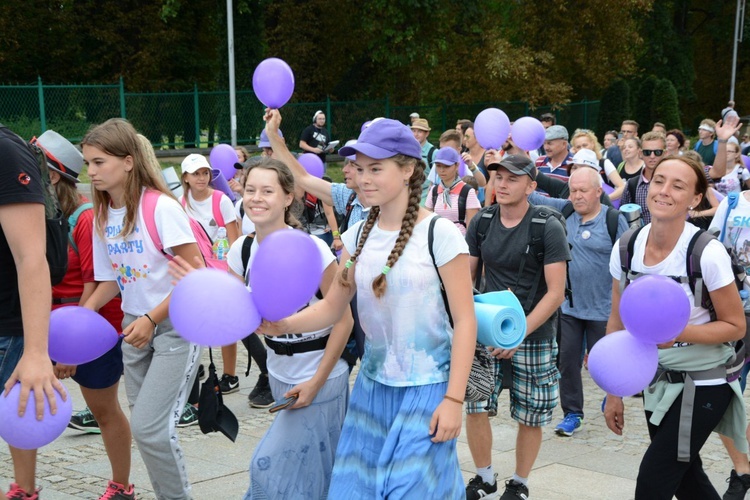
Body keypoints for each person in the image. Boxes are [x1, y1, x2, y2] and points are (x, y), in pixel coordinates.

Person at [260, 118, 476, 498]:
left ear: (408, 170)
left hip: (427, 388)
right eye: (359, 169)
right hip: (372, 388)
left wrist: (454, 399)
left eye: (376, 168)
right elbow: (332, 307)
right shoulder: (358, 235)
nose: (363, 178)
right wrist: (281, 325)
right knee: (357, 489)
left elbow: (465, 320)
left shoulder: (439, 234)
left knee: (414, 489)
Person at [604, 154, 747, 499]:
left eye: (678, 185)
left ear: (696, 199)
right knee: (688, 481)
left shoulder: (706, 252)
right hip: (659, 381)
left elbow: (735, 325)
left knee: (654, 480)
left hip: (706, 380)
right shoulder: (627, 247)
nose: (664, 190)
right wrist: (613, 391)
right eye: (659, 181)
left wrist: (675, 334)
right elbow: (617, 321)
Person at [209, 155, 351, 499]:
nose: (256, 198)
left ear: (289, 197)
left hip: (321, 376)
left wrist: (316, 383)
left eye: (267, 191)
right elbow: (235, 315)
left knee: (267, 467)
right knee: (313, 474)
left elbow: (343, 320)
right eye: (250, 189)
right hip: (279, 374)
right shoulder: (241, 250)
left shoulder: (313, 249)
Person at [81, 118, 204, 500]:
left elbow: (196, 274)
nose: (91, 171)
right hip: (134, 329)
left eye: (100, 162)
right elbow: (109, 281)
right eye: (88, 163)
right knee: (149, 430)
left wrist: (153, 318)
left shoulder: (161, 207)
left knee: (150, 428)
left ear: (129, 161)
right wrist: (82, 318)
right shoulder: (101, 215)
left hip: (174, 325)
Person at [31, 130, 135, 499]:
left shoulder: (86, 219)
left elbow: (98, 283)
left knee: (104, 411)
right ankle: (24, 487)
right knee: (25, 408)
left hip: (90, 331)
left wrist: (70, 348)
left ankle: (121, 486)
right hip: (50, 325)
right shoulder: (40, 214)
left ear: (53, 176)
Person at [464, 154, 570, 500]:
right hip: (486, 331)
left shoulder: (547, 226)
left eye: (512, 178)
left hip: (534, 333)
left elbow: (555, 294)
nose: (503, 184)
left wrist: (519, 332)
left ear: (531, 186)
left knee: (532, 412)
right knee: (475, 404)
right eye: (498, 177)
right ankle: (484, 478)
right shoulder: (482, 221)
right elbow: (466, 279)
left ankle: (520, 483)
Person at [0, 124, 66, 499]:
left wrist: (37, 352)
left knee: (18, 419)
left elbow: (32, 259)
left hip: (6, 331)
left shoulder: (6, 152)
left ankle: (24, 490)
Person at [543, 167, 627, 437]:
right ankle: (572, 414)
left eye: (583, 191)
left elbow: (628, 266)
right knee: (566, 362)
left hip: (604, 310)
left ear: (598, 191)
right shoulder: (565, 215)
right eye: (573, 190)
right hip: (569, 307)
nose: (576, 196)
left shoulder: (613, 220)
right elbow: (531, 195)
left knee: (604, 365)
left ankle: (612, 397)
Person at [178, 153, 240, 399]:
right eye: (196, 174)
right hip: (195, 271)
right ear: (186, 178)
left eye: (205, 173)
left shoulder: (221, 200)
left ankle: (230, 374)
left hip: (221, 271)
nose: (201, 178)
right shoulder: (180, 203)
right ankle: (196, 369)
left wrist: (233, 273)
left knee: (226, 324)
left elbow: (234, 239)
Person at [425, 147, 481, 234]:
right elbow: (427, 221)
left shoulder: (467, 191)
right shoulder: (434, 191)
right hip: (437, 241)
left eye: (446, 166)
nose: (442, 170)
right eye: (438, 166)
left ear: (457, 166)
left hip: (460, 241)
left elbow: (471, 229)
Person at [619, 131, 667, 225]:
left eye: (657, 152)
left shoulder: (674, 184)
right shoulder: (632, 184)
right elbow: (622, 217)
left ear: (665, 153)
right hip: (641, 237)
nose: (652, 156)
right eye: (647, 152)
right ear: (640, 153)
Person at [570, 129, 625, 199]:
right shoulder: (573, 166)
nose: (582, 149)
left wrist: (604, 200)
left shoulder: (604, 163)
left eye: (585, 145)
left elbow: (622, 187)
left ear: (592, 144)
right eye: (578, 147)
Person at [410, 118, 436, 204]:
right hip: (409, 192)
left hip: (426, 194)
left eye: (420, 132)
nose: (416, 134)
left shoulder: (434, 152)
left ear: (427, 133)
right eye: (414, 131)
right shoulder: (408, 150)